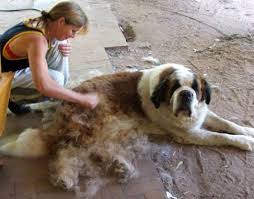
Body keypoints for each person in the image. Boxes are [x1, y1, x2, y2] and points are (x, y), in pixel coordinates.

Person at [0, 1, 99, 165]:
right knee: (53, 81)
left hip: (10, 63)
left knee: (60, 46)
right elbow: (43, 85)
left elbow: (58, 38)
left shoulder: (44, 22)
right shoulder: (36, 39)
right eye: (72, 31)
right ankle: (14, 97)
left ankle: (53, 95)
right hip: (3, 73)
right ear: (61, 22)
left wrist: (65, 42)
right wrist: (81, 99)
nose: (73, 36)